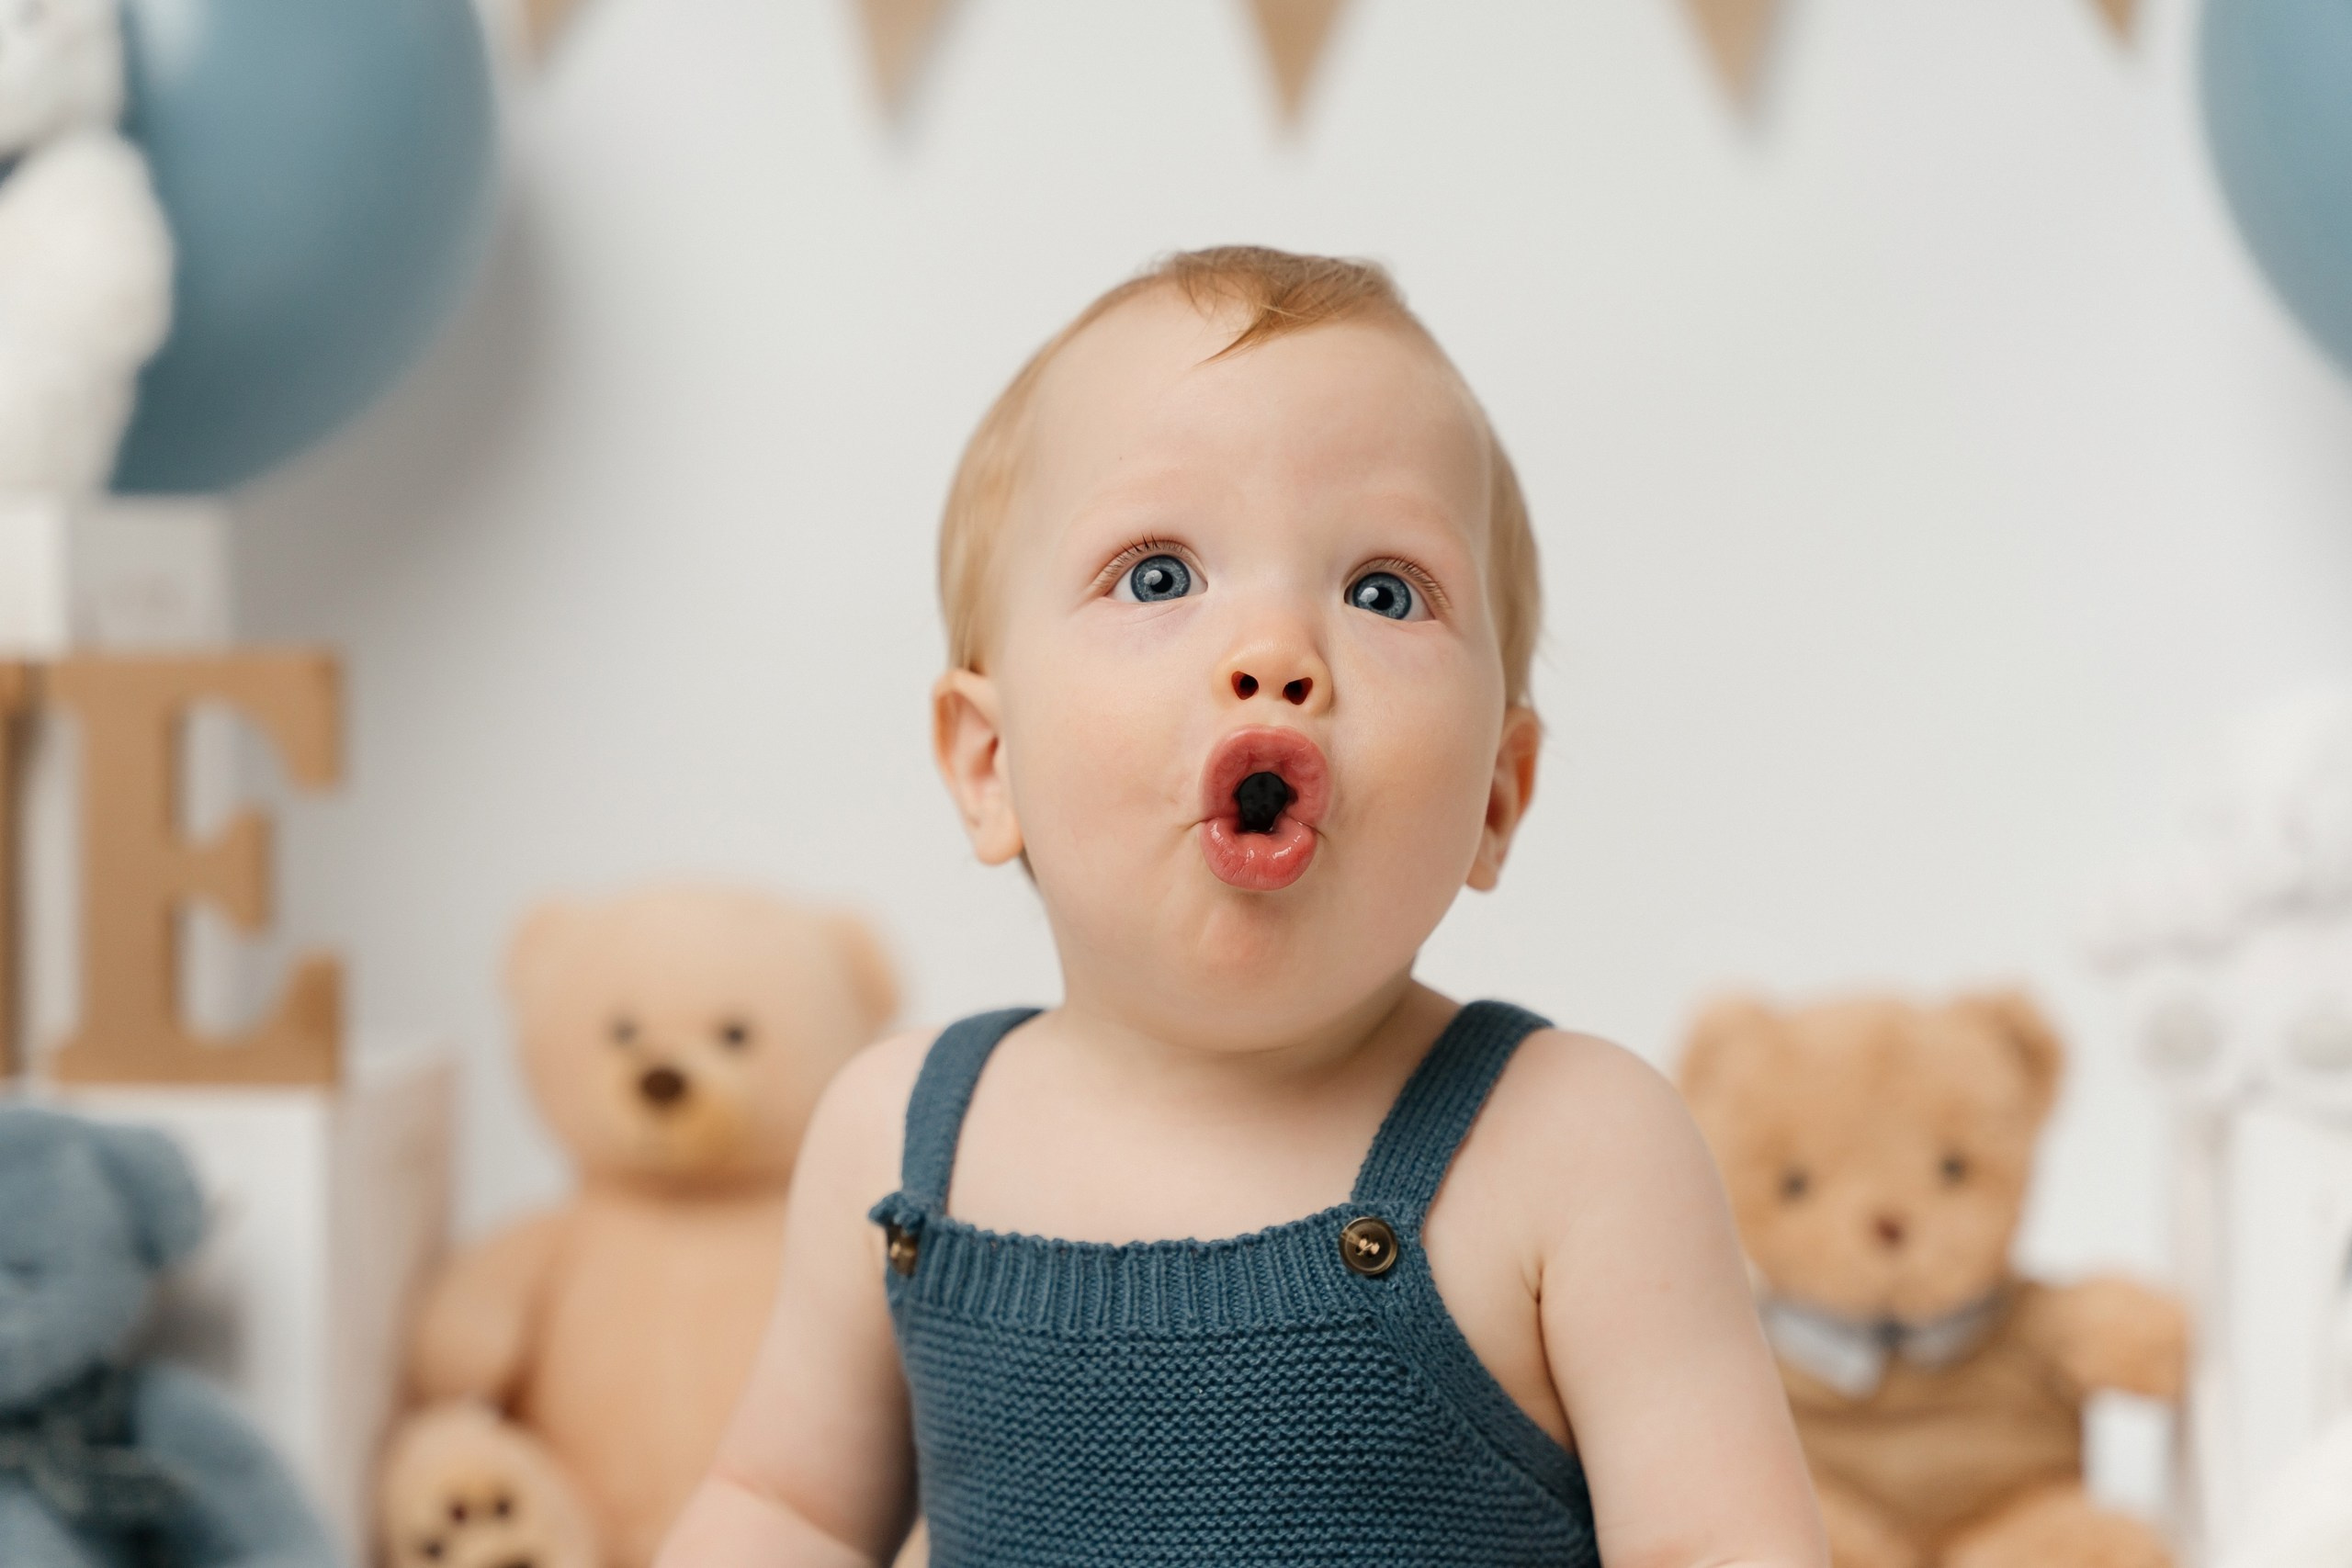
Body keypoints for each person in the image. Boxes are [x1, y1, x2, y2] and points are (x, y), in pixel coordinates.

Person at [654, 247, 1827, 1567]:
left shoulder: (1576, 1148)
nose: (1275, 654)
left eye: (1382, 591)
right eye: (1158, 576)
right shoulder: (898, 1140)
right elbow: (785, 1512)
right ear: (992, 767)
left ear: (1498, 795)